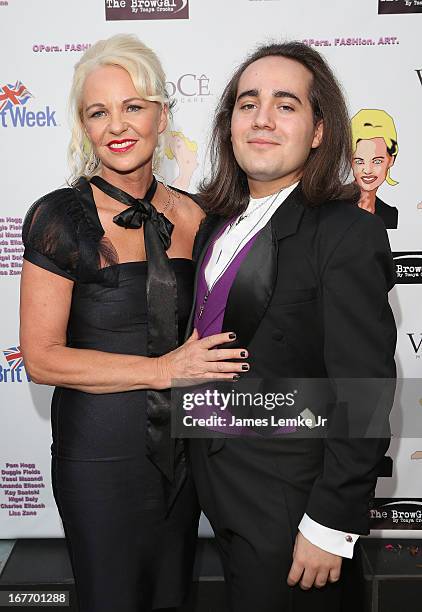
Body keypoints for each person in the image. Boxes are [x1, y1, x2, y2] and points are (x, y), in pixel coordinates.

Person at [19, 34, 248, 612]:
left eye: (133, 106)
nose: (117, 124)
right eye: (99, 111)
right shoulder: (59, 217)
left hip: (185, 455)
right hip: (100, 455)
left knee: (173, 595)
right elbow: (42, 358)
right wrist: (163, 368)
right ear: (83, 125)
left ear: (162, 115)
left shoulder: (200, 214)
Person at [187, 42, 397, 612]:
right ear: (228, 123)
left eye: (285, 105)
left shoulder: (345, 233)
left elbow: (368, 390)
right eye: (247, 102)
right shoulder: (216, 226)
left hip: (293, 505)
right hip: (219, 490)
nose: (261, 117)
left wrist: (330, 522)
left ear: (320, 131)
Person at [351, 108, 399, 229]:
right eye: (359, 161)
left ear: (391, 160)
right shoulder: (333, 210)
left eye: (377, 161)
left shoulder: (390, 214)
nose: (367, 170)